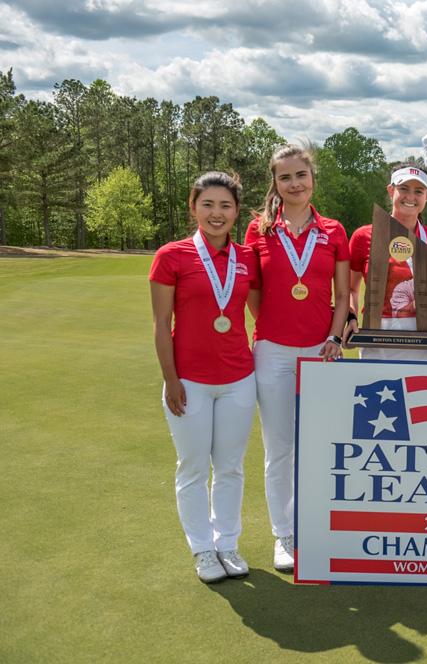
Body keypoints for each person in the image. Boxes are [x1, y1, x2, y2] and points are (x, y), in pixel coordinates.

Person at [243, 144, 351, 573]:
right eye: (285, 177)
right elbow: (253, 293)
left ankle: (317, 526)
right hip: (273, 351)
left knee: (323, 445)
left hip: (323, 351)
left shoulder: (334, 230)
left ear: (312, 179)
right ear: (276, 182)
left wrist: (333, 336)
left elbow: (343, 296)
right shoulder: (258, 230)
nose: (294, 184)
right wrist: (277, 328)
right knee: (280, 449)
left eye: (300, 176)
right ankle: (283, 535)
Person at [150, 171, 260, 583]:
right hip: (189, 381)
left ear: (235, 212)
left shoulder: (248, 257)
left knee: (230, 467)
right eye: (208, 204)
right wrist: (170, 378)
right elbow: (161, 323)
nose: (217, 213)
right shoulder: (171, 256)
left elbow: (260, 313)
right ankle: (202, 549)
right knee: (193, 467)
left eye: (225, 205)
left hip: (238, 378)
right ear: (193, 206)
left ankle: (227, 543)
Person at [348, 163, 427, 359]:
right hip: (376, 337)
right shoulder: (363, 236)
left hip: (423, 339)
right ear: (391, 190)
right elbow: (352, 289)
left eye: (418, 191)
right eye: (403, 188)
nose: (410, 196)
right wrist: (351, 317)